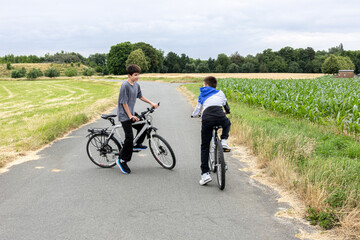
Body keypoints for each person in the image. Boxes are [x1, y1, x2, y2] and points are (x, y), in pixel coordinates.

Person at [116, 64, 158, 174]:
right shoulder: (125, 85)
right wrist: (130, 116)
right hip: (124, 114)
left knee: (143, 126)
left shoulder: (136, 85)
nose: (137, 77)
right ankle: (122, 160)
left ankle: (136, 144)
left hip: (131, 112)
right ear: (129, 75)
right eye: (135, 75)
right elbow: (123, 102)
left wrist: (151, 103)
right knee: (129, 137)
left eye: (138, 74)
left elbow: (140, 96)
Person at [191, 76, 231, 185]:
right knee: (227, 123)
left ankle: (205, 174)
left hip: (207, 119)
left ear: (207, 85)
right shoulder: (220, 93)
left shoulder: (202, 93)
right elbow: (226, 107)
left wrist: (194, 115)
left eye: (204, 85)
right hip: (220, 117)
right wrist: (227, 112)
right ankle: (223, 141)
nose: (203, 86)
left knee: (205, 146)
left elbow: (198, 109)